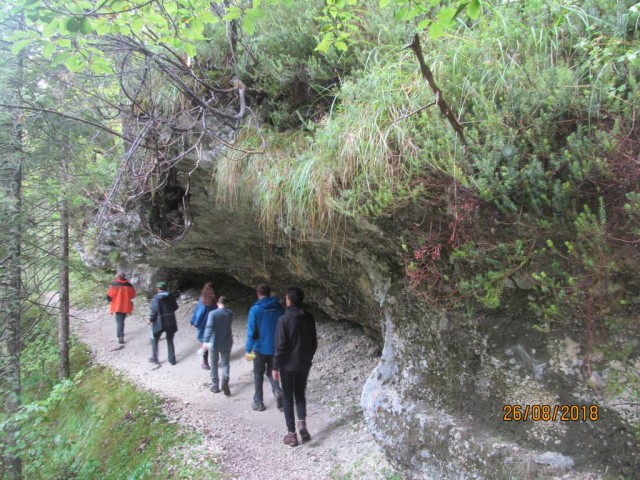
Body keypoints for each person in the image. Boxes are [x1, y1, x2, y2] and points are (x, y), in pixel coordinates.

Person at [273, 286, 318, 447]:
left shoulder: (284, 320)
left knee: (287, 398)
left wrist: (275, 367)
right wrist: (308, 358)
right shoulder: (309, 318)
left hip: (287, 366)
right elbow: (314, 343)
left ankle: (292, 435)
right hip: (304, 364)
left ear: (289, 301)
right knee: (300, 394)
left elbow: (280, 346)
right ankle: (302, 426)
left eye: (286, 298)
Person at [245, 283, 285, 411]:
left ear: (258, 294)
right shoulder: (279, 307)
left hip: (260, 348)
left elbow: (251, 331)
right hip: (275, 347)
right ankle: (277, 391)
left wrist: (248, 350)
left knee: (258, 374)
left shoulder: (255, 310)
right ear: (269, 293)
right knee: (272, 372)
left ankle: (258, 402)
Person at [202, 296, 234, 396]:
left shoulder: (213, 314)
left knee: (214, 363)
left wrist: (205, 341)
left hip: (214, 342)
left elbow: (209, 328)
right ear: (227, 304)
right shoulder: (230, 313)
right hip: (226, 341)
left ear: (217, 303)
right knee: (225, 364)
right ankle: (225, 378)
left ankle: (215, 385)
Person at [148, 281, 179, 365]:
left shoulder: (155, 299)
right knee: (170, 340)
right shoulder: (171, 296)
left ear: (158, 289)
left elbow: (154, 311)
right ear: (165, 288)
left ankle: (155, 358)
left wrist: (150, 319)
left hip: (160, 322)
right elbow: (176, 307)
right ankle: (172, 360)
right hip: (170, 320)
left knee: (155, 339)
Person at [190, 282, 217, 370]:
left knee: (205, 343)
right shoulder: (216, 299)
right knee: (213, 341)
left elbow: (199, 314)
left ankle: (205, 363)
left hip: (204, 325)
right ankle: (215, 360)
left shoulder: (203, 300)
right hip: (214, 324)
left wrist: (193, 322)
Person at [106, 272, 136, 344]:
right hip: (126, 306)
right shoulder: (129, 285)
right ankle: (121, 332)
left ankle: (120, 336)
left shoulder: (114, 284)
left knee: (119, 321)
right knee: (122, 320)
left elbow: (109, 296)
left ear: (118, 277)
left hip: (117, 306)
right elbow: (133, 295)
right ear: (124, 277)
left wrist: (110, 300)